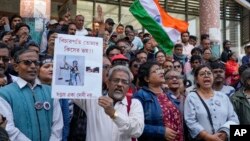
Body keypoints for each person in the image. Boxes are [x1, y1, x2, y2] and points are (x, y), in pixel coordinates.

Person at [0, 49, 63, 140]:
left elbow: (57, 125)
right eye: (27, 62)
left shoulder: (50, 92)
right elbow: (9, 128)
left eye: (36, 62)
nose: (33, 66)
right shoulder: (5, 94)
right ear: (16, 66)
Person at [74, 65, 144, 141]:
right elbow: (71, 90)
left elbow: (137, 131)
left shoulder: (134, 104)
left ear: (129, 86)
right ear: (108, 83)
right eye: (116, 80)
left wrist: (114, 114)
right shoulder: (93, 100)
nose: (119, 84)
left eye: (124, 82)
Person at [184, 65, 239, 141]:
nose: (206, 76)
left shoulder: (223, 97)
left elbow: (233, 118)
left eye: (209, 73)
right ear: (196, 79)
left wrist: (224, 133)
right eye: (202, 74)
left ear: (213, 77)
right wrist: (207, 136)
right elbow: (190, 121)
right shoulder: (191, 97)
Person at [134, 62, 184, 141]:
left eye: (160, 69)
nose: (161, 72)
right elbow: (135, 126)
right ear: (147, 78)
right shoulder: (140, 96)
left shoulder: (167, 93)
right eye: (155, 71)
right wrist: (161, 131)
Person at [38, 55, 71, 141]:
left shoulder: (61, 90)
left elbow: (65, 118)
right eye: (46, 67)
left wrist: (63, 138)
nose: (51, 69)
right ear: (38, 70)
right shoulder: (32, 89)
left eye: (53, 66)